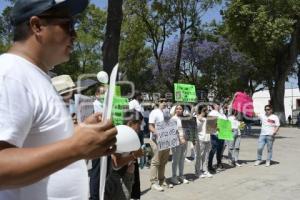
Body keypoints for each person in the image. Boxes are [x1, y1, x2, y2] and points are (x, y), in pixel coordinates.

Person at [0, 1, 118, 200]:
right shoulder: (10, 74)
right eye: (68, 25)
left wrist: (79, 136)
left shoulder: (35, 76)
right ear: (37, 26)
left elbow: (38, 142)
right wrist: (75, 147)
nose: (75, 35)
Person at [105, 110, 144, 200]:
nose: (140, 128)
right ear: (130, 123)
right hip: (117, 180)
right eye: (139, 124)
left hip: (125, 177)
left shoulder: (129, 135)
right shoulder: (120, 136)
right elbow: (115, 164)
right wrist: (134, 156)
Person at [148, 97, 171, 191]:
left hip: (166, 140)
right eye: (162, 101)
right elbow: (150, 126)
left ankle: (162, 180)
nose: (164, 103)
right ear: (158, 102)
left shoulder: (167, 112)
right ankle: (153, 182)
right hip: (156, 140)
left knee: (163, 162)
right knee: (156, 161)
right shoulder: (154, 112)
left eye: (165, 101)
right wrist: (157, 133)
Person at [170, 105, 189, 185]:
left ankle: (181, 175)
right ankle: (173, 177)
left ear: (183, 110)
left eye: (180, 109)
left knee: (182, 159)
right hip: (176, 141)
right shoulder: (173, 119)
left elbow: (187, 129)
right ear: (175, 110)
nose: (178, 110)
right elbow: (173, 131)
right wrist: (179, 139)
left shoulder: (184, 118)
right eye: (177, 109)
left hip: (184, 140)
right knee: (175, 160)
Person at [207, 102, 227, 174]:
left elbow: (225, 120)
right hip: (215, 135)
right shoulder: (212, 113)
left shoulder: (221, 113)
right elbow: (210, 126)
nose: (219, 106)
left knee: (220, 150)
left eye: (219, 104)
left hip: (222, 134)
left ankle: (219, 163)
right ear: (214, 106)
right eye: (217, 104)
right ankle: (209, 166)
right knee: (213, 150)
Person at [195, 105, 213, 178]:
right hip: (200, 139)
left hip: (208, 139)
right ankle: (197, 171)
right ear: (200, 111)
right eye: (204, 110)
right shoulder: (197, 118)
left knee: (206, 156)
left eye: (207, 110)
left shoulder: (208, 118)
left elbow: (212, 130)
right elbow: (196, 128)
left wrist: (215, 127)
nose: (206, 111)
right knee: (199, 156)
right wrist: (199, 118)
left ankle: (205, 170)